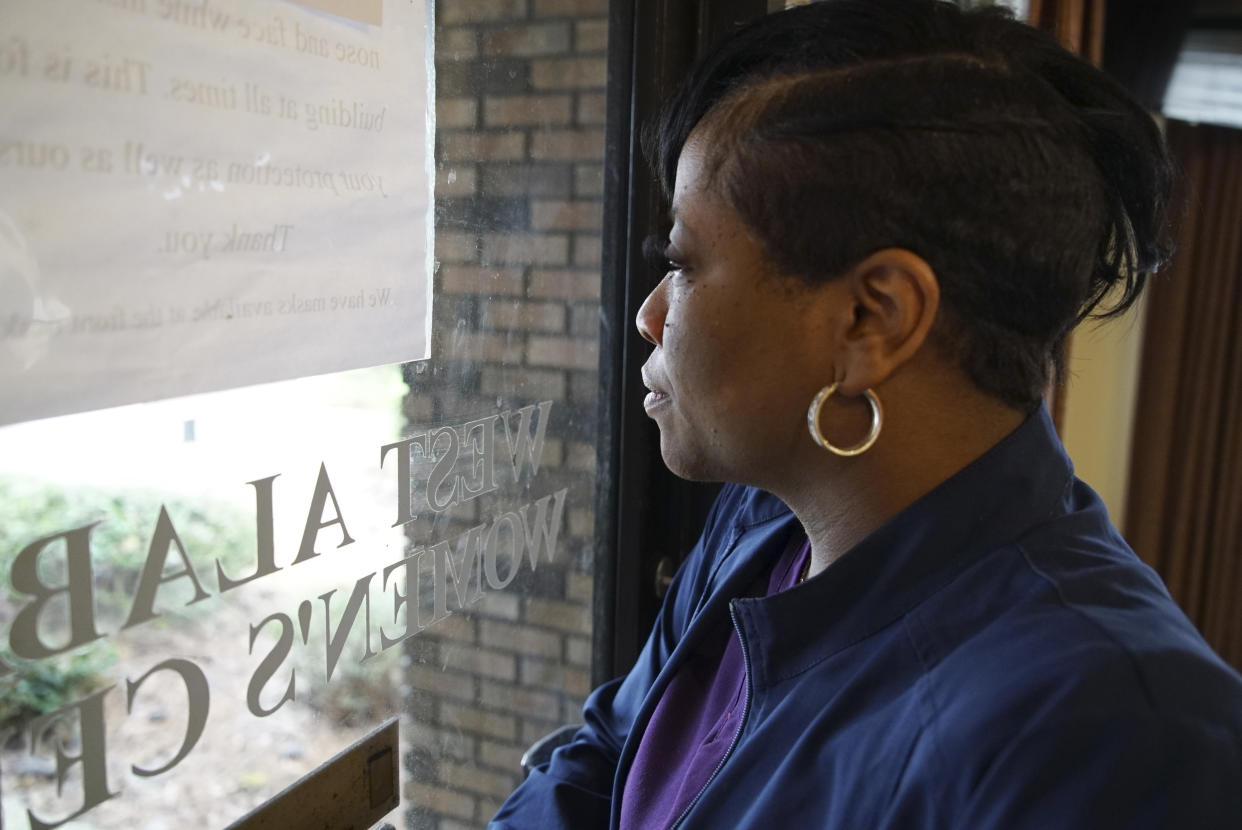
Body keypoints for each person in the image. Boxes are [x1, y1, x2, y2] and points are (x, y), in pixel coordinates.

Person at [491, 1, 1242, 827]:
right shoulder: (764, 523)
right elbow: (608, 752)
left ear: (872, 320)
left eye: (682, 262)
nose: (650, 315)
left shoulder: (1116, 738)